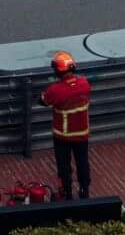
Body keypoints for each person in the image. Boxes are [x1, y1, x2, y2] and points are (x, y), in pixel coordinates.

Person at [41, 51, 93, 201]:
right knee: (82, 162)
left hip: (62, 135)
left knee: (64, 166)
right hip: (82, 133)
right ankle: (84, 190)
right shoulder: (84, 83)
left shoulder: (55, 90)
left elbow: (44, 101)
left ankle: (67, 191)